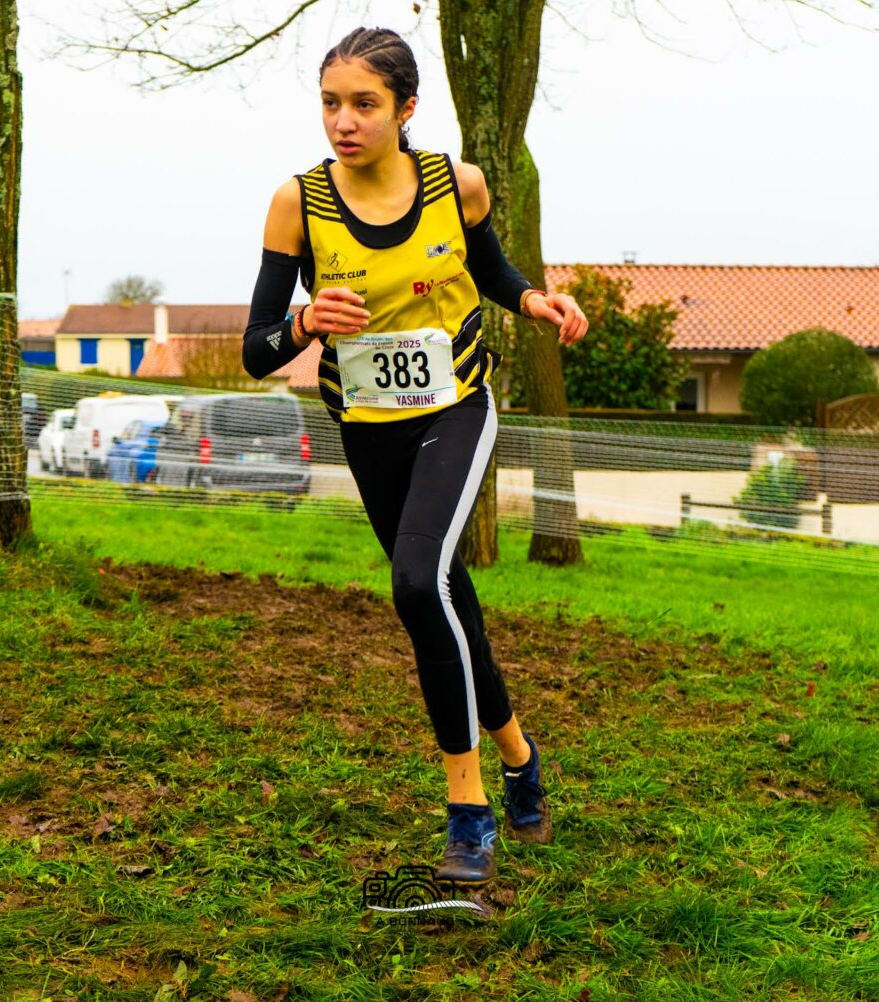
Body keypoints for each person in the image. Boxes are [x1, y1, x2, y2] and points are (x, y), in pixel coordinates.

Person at [242, 26, 587, 886]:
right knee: (446, 596)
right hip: (366, 425)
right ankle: (520, 756)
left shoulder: (454, 184)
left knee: (412, 582)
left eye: (364, 103)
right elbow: (256, 346)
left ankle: (468, 811)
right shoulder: (297, 203)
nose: (344, 121)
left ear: (405, 108)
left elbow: (492, 271)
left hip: (455, 410)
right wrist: (303, 325)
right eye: (330, 103)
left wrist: (534, 301)